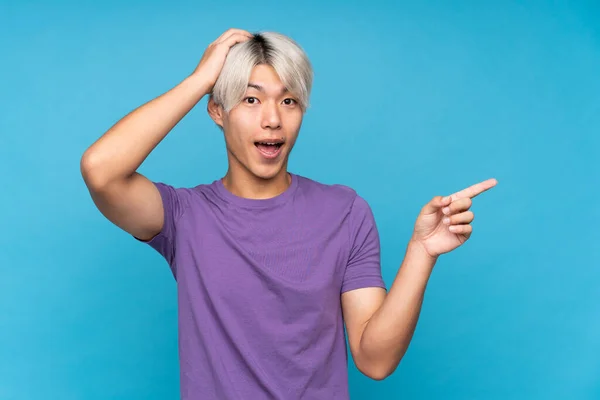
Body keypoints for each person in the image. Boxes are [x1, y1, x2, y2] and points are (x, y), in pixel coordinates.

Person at [80, 28, 497, 399]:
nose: (273, 119)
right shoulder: (184, 216)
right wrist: (200, 80)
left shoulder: (344, 211)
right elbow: (101, 170)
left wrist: (422, 252)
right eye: (250, 98)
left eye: (289, 100)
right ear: (217, 111)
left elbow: (375, 360)